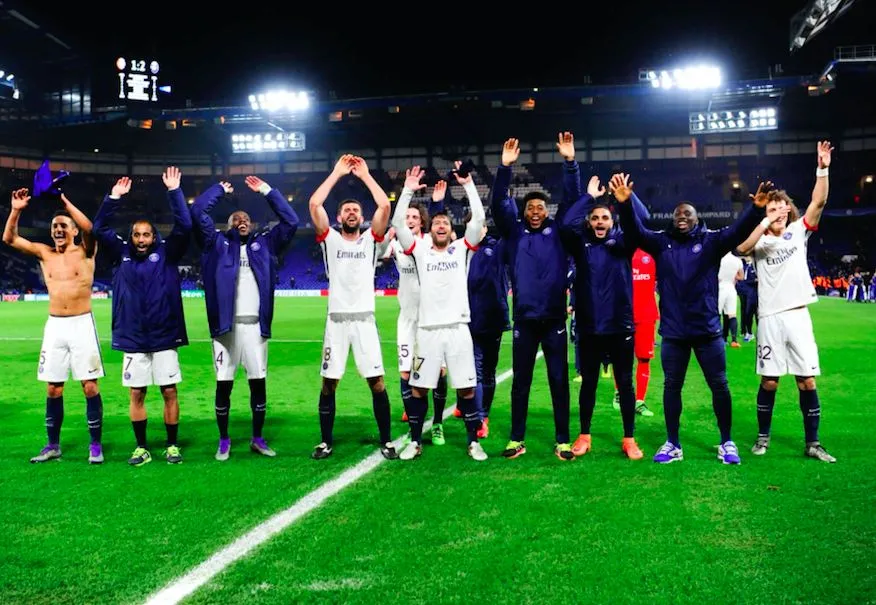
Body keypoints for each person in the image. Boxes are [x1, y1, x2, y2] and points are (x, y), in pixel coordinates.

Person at [613, 172, 768, 464]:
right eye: (677, 214)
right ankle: (673, 443)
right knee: (672, 387)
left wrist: (756, 210)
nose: (681, 217)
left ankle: (727, 441)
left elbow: (737, 232)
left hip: (707, 330)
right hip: (674, 332)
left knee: (719, 386)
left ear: (697, 219)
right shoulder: (661, 243)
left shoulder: (711, 242)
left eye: (687, 214)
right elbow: (635, 233)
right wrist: (624, 205)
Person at [736, 140, 836, 463]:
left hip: (797, 316)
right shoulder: (759, 242)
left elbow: (819, 202)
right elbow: (740, 248)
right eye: (772, 209)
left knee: (807, 381)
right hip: (769, 318)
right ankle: (762, 438)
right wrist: (764, 220)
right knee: (770, 381)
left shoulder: (798, 231)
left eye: (782, 208)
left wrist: (822, 169)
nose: (779, 212)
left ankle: (813, 443)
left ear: (790, 211)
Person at [191, 176, 300, 461]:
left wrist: (267, 191)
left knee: (258, 383)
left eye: (246, 218)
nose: (242, 220)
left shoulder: (265, 244)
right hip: (225, 330)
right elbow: (197, 212)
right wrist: (218, 190)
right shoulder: (215, 244)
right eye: (236, 218)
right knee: (224, 384)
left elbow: (291, 221)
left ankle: (257, 438)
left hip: (255, 328)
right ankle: (224, 439)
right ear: (228, 225)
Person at [93, 168, 191, 466]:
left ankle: (172, 446)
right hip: (132, 338)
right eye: (136, 234)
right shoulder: (120, 253)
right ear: (130, 236)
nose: (140, 239)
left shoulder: (167, 253)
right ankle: (141, 448)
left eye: (146, 234)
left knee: (169, 391)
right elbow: (99, 228)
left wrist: (174, 192)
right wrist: (113, 198)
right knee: (136, 393)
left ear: (154, 236)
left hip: (164, 336)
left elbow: (185, 226)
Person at [391, 163, 488, 461]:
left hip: (458, 329)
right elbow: (398, 224)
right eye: (437, 223)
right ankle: (415, 441)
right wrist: (407, 191)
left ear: (451, 228)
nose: (441, 226)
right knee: (419, 389)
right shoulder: (419, 251)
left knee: (467, 389)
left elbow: (479, 218)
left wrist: (468, 185)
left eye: (445, 223)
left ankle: (473, 442)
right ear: (430, 230)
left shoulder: (461, 249)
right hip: (427, 331)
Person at [3, 188, 106, 464]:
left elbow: (90, 228)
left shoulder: (86, 251)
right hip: (55, 326)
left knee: (89, 386)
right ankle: (52, 445)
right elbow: (9, 238)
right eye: (54, 227)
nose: (58, 230)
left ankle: (95, 445)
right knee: (53, 388)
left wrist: (64, 201)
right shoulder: (44, 253)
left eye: (63, 226)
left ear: (73, 231)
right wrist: (16, 210)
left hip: (82, 324)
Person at [308, 154, 397, 460]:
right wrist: (336, 173)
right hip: (336, 321)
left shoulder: (371, 239)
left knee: (377, 382)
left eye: (356, 210)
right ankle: (326, 441)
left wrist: (365, 176)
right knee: (329, 383)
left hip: (364, 320)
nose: (351, 213)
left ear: (362, 218)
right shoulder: (330, 239)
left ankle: (386, 440)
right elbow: (314, 204)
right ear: (338, 217)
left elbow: (384, 207)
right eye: (346, 210)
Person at [493, 135, 574, 461]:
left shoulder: (560, 232)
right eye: (530, 208)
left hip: (554, 320)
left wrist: (570, 163)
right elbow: (498, 205)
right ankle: (516, 439)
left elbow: (573, 199)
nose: (536, 212)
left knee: (559, 380)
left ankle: (563, 440)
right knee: (520, 383)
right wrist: (504, 168)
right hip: (525, 321)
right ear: (524, 213)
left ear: (547, 210)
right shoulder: (514, 233)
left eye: (540, 207)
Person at [559, 172, 645, 460]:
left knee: (625, 383)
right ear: (589, 221)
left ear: (612, 221)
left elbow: (640, 224)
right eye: (595, 218)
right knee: (589, 383)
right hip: (589, 326)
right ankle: (584, 435)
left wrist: (625, 201)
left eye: (605, 218)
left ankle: (629, 438)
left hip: (620, 325)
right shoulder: (579, 244)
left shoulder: (624, 243)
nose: (599, 222)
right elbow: (565, 224)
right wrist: (589, 198)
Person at [381, 181, 448, 440]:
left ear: (422, 222)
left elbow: (445, 234)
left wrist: (439, 203)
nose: (409, 220)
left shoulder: (430, 241)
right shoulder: (396, 243)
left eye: (414, 217)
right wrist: (386, 237)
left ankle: (438, 422)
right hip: (407, 319)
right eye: (406, 216)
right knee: (406, 373)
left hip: (433, 318)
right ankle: (414, 425)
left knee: (439, 372)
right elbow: (379, 254)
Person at [466, 207, 510, 439]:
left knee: (487, 371)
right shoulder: (460, 251)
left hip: (491, 319)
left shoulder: (495, 248)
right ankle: (477, 414)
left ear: (485, 228)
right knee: (473, 370)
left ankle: (483, 416)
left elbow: (508, 232)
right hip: (465, 320)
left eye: (479, 225)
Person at [718, 251, 744, 347]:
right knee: (732, 315)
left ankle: (718, 339)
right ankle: (734, 340)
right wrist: (732, 276)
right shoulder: (737, 260)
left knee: (717, 314)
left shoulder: (719, 258)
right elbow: (741, 277)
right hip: (731, 288)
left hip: (720, 287)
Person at [737, 256, 758, 341]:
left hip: (755, 294)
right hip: (746, 293)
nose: (746, 257)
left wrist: (754, 280)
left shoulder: (755, 266)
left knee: (757, 314)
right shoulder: (745, 266)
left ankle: (758, 332)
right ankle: (748, 332)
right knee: (747, 313)